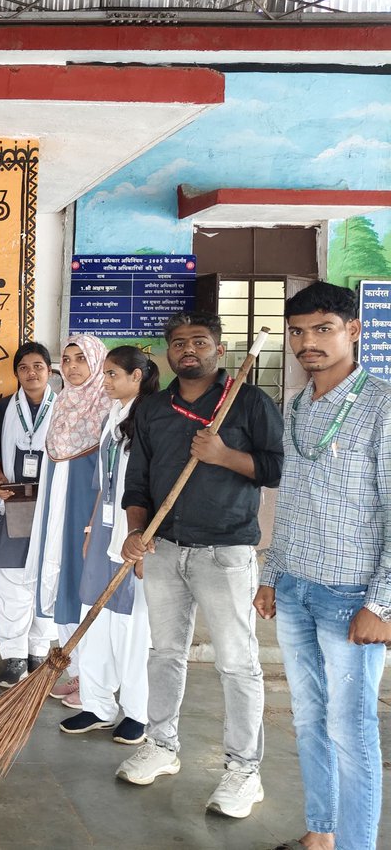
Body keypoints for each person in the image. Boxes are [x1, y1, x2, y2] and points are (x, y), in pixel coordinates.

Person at [118, 311, 283, 819]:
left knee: (237, 662)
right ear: (167, 352)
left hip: (226, 550)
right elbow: (138, 480)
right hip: (164, 547)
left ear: (220, 347)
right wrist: (135, 532)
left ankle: (243, 772)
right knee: (164, 652)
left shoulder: (249, 402)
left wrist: (223, 455)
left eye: (200, 341)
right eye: (179, 342)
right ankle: (162, 746)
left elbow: (275, 469)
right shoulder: (153, 409)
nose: (188, 349)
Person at [254, 282, 391, 850]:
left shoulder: (382, 406)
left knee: (351, 732)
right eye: (298, 332)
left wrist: (381, 603)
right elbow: (294, 498)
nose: (307, 342)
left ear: (353, 331)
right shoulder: (297, 406)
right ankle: (321, 835)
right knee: (309, 720)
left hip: (350, 594)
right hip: (296, 587)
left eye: (322, 329)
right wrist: (271, 575)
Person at [59, 345, 158, 745]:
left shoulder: (150, 417)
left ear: (137, 377)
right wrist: (88, 530)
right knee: (94, 615)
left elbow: (152, 483)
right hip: (103, 529)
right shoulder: (113, 416)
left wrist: (146, 538)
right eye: (107, 373)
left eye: (114, 374)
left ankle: (137, 711)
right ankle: (98, 705)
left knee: (130, 626)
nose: (106, 381)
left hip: (134, 532)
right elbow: (104, 482)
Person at [27, 334, 111, 700]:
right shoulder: (62, 402)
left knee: (86, 579)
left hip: (87, 503)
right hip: (58, 502)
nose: (74, 366)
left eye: (82, 359)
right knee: (62, 576)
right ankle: (78, 671)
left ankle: (99, 682)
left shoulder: (109, 405)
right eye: (68, 358)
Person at [0, 342, 57, 686]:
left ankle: (38, 650)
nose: (32, 373)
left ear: (49, 371)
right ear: (16, 373)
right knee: (8, 579)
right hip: (11, 503)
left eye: (38, 366)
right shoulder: (0, 410)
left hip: (51, 505)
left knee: (48, 576)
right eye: (25, 367)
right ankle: (13, 656)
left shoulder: (65, 410)